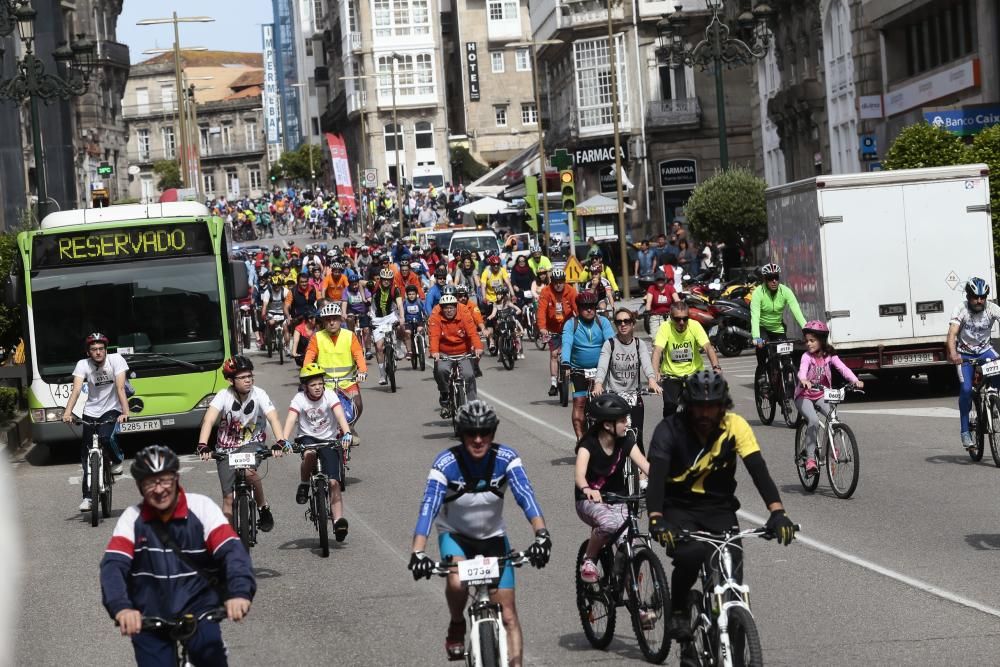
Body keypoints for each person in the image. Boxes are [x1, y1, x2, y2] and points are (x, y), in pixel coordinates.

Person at [645, 370, 797, 640]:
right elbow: (656, 478)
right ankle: (679, 609)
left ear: (722, 405)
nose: (705, 414)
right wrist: (656, 518)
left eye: (712, 407)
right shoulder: (669, 430)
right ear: (688, 406)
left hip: (720, 510)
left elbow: (758, 471)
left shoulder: (735, 426)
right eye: (699, 407)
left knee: (732, 582)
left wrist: (778, 512)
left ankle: (733, 640)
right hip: (679, 508)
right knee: (691, 555)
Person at [407, 401, 551, 666]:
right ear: (461, 434)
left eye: (484, 432)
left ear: (492, 434)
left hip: (494, 538)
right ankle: (457, 623)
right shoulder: (445, 463)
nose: (477, 439)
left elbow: (525, 494)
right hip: (456, 537)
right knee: (454, 581)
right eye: (470, 433)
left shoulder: (506, 458)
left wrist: (541, 535)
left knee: (508, 616)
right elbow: (429, 507)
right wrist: (418, 551)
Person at [100, 445, 256, 666]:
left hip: (200, 610)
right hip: (149, 614)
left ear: (176, 478)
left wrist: (239, 592)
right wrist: (122, 608)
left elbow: (232, 551)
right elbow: (113, 566)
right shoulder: (131, 518)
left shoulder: (201, 508)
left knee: (211, 659)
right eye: (149, 483)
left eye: (165, 480)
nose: (159, 489)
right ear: (139, 486)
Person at [196, 356, 286, 530]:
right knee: (228, 498)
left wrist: (280, 441)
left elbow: (273, 417)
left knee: (249, 472)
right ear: (231, 380)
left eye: (249, 376)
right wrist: (202, 445)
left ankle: (263, 507)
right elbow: (208, 420)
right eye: (242, 377)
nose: (248, 380)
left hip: (252, 442)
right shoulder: (223, 395)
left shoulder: (259, 393)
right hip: (225, 448)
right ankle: (228, 543)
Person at [575, 394, 651, 589]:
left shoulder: (626, 441)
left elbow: (645, 465)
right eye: (623, 420)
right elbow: (580, 476)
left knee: (629, 546)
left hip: (619, 499)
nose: (627, 423)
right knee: (608, 525)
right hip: (589, 501)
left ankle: (635, 600)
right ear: (608, 425)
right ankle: (589, 559)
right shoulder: (588, 444)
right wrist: (587, 490)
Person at [284, 364, 354, 541]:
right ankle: (304, 483)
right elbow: (291, 419)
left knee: (333, 482)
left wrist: (346, 433)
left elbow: (340, 416)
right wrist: (283, 439)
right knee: (309, 455)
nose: (318, 387)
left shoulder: (330, 395)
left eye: (320, 383)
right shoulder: (299, 399)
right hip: (307, 437)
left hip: (329, 439)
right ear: (305, 386)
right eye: (313, 384)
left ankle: (338, 520)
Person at [62, 332, 129, 512]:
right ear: (88, 352)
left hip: (112, 408)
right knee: (87, 456)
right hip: (90, 411)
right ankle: (88, 498)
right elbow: (76, 390)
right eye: (94, 349)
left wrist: (125, 412)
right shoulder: (82, 365)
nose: (98, 352)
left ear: (106, 350)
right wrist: (68, 412)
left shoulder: (116, 360)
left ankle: (117, 460)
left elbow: (120, 387)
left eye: (101, 349)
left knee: (107, 438)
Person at [795, 321, 864, 475]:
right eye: (807, 341)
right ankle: (810, 460)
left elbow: (843, 369)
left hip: (821, 393)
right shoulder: (806, 356)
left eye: (812, 340)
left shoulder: (830, 356)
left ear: (821, 340)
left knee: (833, 419)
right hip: (804, 395)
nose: (808, 344)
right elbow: (802, 371)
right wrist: (804, 380)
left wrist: (855, 381)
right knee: (813, 421)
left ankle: (833, 448)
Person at [594, 308, 662, 450]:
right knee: (613, 438)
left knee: (637, 437)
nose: (623, 324)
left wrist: (651, 380)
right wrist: (598, 384)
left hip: (633, 395)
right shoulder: (610, 344)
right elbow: (602, 367)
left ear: (632, 323)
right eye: (619, 322)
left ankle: (642, 472)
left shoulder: (639, 344)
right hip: (614, 396)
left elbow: (647, 364)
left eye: (626, 321)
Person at [947, 277, 1000, 450]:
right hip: (964, 354)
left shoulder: (992, 309)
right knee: (966, 389)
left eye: (983, 297)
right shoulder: (961, 309)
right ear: (968, 296)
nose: (979, 301)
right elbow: (952, 334)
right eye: (975, 297)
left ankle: (994, 398)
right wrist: (954, 354)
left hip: (985, 350)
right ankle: (965, 432)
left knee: (998, 366)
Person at [651, 301, 722, 419]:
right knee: (670, 408)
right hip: (671, 375)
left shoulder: (694, 326)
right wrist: (655, 373)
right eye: (677, 319)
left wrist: (716, 367)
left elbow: (708, 347)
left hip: (694, 374)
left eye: (685, 318)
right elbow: (657, 351)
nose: (681, 322)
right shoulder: (665, 327)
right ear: (671, 317)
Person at [561, 291, 616, 441]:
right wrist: (565, 362)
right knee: (579, 403)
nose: (590, 310)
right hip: (578, 371)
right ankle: (581, 439)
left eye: (592, 306)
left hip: (600, 370)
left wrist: (617, 357)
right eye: (585, 307)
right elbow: (566, 344)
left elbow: (611, 342)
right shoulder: (571, 324)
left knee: (606, 402)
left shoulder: (602, 322)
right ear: (578, 309)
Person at [303, 302, 368, 425]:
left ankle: (350, 427)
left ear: (340, 320)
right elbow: (309, 358)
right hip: (325, 384)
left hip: (348, 383)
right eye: (328, 320)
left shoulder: (350, 336)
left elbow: (358, 355)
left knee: (358, 405)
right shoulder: (317, 337)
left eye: (334, 319)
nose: (331, 323)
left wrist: (362, 371)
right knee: (312, 408)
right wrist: (307, 374)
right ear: (323, 322)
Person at [429, 294, 484, 416]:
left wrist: (478, 347)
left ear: (456, 307)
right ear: (442, 309)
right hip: (445, 353)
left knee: (469, 375)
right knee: (441, 370)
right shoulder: (436, 316)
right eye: (446, 308)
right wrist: (434, 352)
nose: (449, 311)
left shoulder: (464, 313)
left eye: (451, 308)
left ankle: (472, 405)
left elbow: (472, 333)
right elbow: (434, 336)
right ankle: (444, 395)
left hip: (463, 352)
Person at [750, 263, 807, 372]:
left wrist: (807, 330)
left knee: (786, 358)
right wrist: (756, 337)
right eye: (770, 278)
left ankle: (785, 378)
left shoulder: (785, 291)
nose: (774, 281)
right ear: (765, 279)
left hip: (778, 329)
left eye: (776, 277)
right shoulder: (758, 293)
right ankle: (762, 374)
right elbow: (755, 316)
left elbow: (797, 313)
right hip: (763, 329)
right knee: (761, 351)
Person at [538, 268, 578, 396]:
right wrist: (542, 328)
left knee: (572, 353)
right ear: (552, 282)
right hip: (552, 327)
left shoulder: (571, 291)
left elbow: (577, 308)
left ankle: (576, 378)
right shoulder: (546, 292)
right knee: (554, 354)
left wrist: (581, 324)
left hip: (568, 326)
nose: (558, 284)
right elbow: (541, 311)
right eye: (556, 282)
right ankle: (554, 383)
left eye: (561, 282)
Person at [370, 268, 404, 385]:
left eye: (388, 280)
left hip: (391, 316)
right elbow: (360, 283)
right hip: (378, 319)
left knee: (400, 326)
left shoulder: (395, 289)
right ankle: (382, 375)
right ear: (381, 279)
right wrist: (366, 299)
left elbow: (399, 304)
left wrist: (402, 317)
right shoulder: (374, 285)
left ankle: (398, 347)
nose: (386, 282)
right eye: (384, 279)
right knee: (379, 347)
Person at [485, 286, 525, 360]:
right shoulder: (495, 304)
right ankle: (501, 353)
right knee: (500, 336)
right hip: (501, 321)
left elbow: (518, 309)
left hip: (509, 320)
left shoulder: (507, 303)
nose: (497, 296)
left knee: (514, 333)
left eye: (499, 294)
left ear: (503, 295)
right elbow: (493, 313)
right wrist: (490, 317)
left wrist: (516, 313)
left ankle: (518, 345)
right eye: (496, 294)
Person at [643, 270, 680, 340]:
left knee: (670, 338)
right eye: (658, 279)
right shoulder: (652, 288)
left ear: (665, 280)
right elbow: (649, 301)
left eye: (662, 279)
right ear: (655, 281)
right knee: (655, 338)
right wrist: (647, 312)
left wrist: (680, 308)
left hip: (669, 316)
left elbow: (677, 300)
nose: (660, 281)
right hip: (655, 317)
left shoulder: (670, 287)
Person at [260, 273, 292, 351]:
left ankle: (287, 347)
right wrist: (264, 316)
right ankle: (270, 337)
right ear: (272, 285)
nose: (276, 287)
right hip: (271, 312)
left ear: (281, 285)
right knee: (270, 323)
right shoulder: (267, 292)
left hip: (282, 312)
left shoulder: (286, 291)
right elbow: (264, 306)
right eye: (274, 285)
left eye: (278, 285)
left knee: (285, 328)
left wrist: (289, 316)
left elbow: (289, 305)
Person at [401, 284, 426, 359]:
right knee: (407, 333)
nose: (411, 296)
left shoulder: (419, 302)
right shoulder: (405, 303)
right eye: (409, 294)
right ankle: (409, 351)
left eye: (413, 294)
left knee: (420, 330)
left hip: (418, 321)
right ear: (407, 295)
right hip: (408, 322)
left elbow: (424, 311)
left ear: (416, 294)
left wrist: (426, 316)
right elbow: (402, 312)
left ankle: (422, 342)